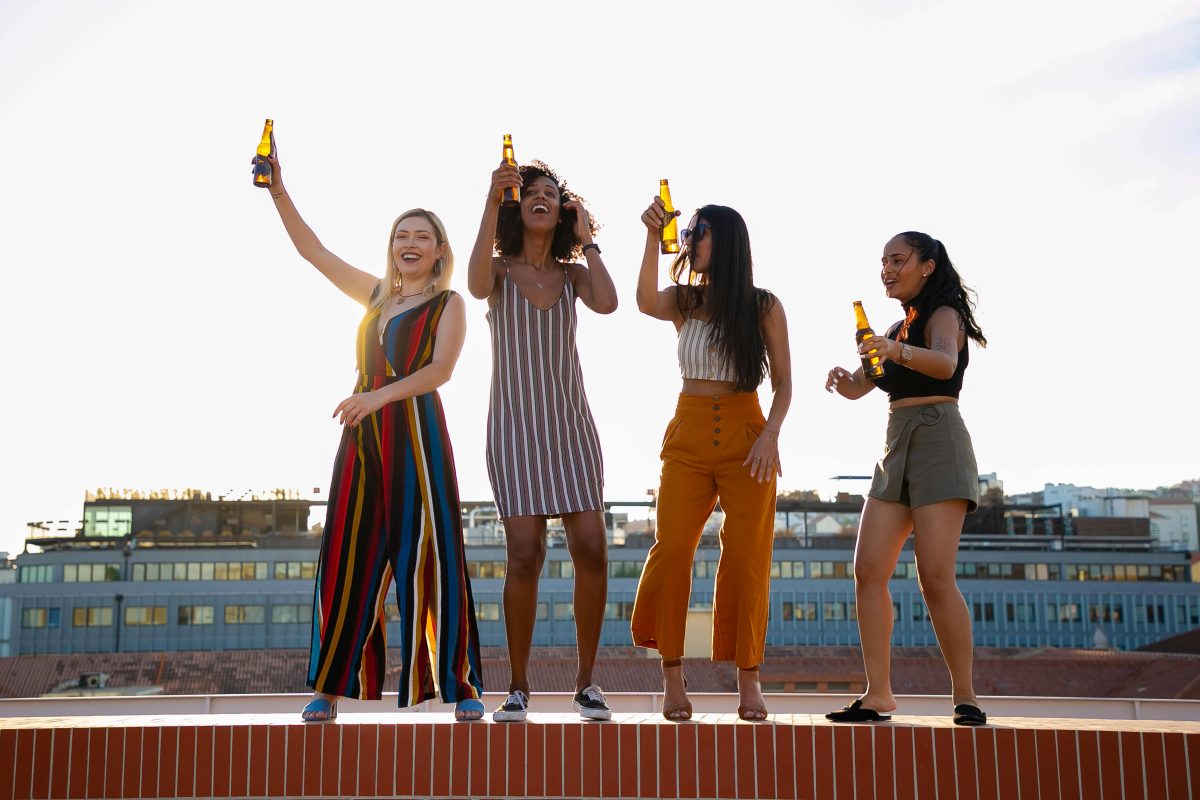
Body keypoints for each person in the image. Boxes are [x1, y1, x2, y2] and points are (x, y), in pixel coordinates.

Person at [260, 133, 485, 722]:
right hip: (362, 443)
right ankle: (328, 691)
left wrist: (378, 395)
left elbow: (440, 371)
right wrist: (279, 190)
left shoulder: (449, 304)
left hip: (417, 438)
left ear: (439, 251)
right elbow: (313, 252)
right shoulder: (376, 296)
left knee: (429, 556)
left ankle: (460, 687)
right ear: (391, 249)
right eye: (400, 236)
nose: (409, 244)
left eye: (421, 237)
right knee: (349, 556)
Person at [467, 157, 618, 721]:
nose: (541, 197)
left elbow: (608, 302)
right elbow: (474, 282)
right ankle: (519, 686)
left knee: (592, 549)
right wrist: (490, 199)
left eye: (551, 193)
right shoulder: (500, 273)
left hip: (570, 427)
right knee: (525, 555)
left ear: (563, 210)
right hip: (513, 429)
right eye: (530, 192)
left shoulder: (574, 276)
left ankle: (586, 684)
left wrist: (587, 242)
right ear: (516, 205)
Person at [630, 199, 792, 721]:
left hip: (749, 434)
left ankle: (749, 679)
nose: (691, 239)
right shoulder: (684, 300)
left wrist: (770, 434)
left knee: (747, 556)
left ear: (725, 241)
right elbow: (642, 301)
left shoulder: (763, 305)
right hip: (689, 433)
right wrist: (654, 238)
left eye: (699, 232)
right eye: (690, 231)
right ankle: (672, 675)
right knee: (674, 547)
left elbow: (786, 384)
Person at [824, 231, 988, 727]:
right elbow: (862, 387)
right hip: (895, 444)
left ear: (928, 265)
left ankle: (966, 696)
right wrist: (843, 379)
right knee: (868, 571)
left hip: (939, 440)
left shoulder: (944, 315)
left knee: (935, 577)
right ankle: (878, 695)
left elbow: (943, 363)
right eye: (883, 262)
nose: (887, 270)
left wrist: (893, 351)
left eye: (898, 260)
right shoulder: (896, 326)